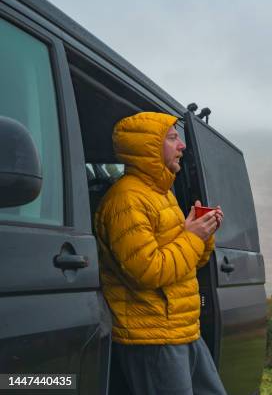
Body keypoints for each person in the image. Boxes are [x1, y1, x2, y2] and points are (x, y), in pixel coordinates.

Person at [95, 111, 226, 395]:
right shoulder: (126, 200)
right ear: (148, 148)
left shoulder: (163, 195)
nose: (182, 146)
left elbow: (189, 263)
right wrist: (192, 236)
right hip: (152, 337)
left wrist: (204, 233)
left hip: (183, 329)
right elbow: (149, 271)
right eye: (172, 138)